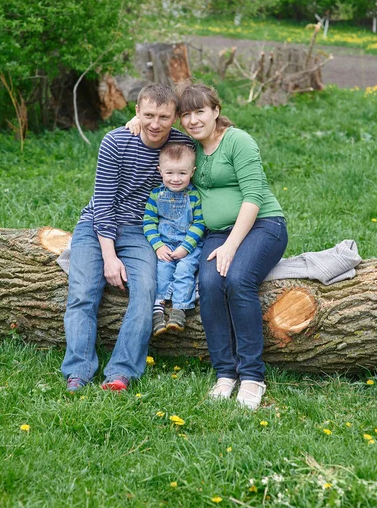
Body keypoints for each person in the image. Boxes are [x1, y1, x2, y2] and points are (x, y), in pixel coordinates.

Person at [61, 83, 191, 393]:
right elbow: (103, 204)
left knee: (146, 289)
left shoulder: (181, 145)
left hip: (140, 231)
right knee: (82, 292)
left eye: (163, 116)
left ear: (175, 117)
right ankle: (78, 370)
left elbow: (213, 134)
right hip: (96, 226)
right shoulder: (116, 141)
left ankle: (121, 372)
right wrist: (109, 257)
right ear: (136, 112)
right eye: (148, 115)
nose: (155, 124)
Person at [177, 83, 288, 410]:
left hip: (263, 226)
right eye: (186, 114)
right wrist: (135, 122)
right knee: (210, 283)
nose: (193, 120)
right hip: (216, 232)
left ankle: (252, 377)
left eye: (200, 111)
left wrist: (231, 247)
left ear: (215, 111)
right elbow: (155, 128)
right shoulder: (191, 146)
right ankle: (225, 373)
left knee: (239, 279)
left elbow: (254, 196)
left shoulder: (238, 141)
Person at [143, 143, 205, 336]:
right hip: (165, 245)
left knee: (184, 271)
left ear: (192, 172)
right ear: (160, 171)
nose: (176, 179)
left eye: (182, 173)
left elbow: (200, 223)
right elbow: (149, 222)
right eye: (170, 173)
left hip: (189, 246)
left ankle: (179, 309)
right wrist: (158, 246)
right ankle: (158, 311)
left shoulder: (194, 196)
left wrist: (186, 247)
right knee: (161, 271)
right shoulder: (156, 195)